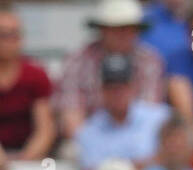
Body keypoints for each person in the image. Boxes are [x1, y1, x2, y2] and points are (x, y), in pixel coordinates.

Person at [56, 0, 168, 136]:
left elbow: (150, 115)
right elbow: (72, 117)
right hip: (89, 141)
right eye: (116, 28)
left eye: (130, 28)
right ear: (102, 29)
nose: (123, 34)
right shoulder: (77, 61)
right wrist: (94, 145)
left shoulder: (150, 61)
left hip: (139, 141)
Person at [73, 53, 170, 167]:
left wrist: (121, 167)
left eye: (123, 87)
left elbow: (175, 155)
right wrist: (141, 164)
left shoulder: (161, 118)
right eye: (111, 88)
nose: (117, 93)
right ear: (101, 91)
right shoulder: (89, 131)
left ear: (134, 87)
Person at [0, 5, 56, 160]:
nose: (9, 41)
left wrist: (25, 159)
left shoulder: (35, 75)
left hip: (27, 155)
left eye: (14, 34)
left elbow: (45, 129)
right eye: (3, 35)